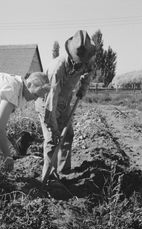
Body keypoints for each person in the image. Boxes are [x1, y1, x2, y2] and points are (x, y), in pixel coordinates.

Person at [35, 30, 96, 182]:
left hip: (65, 100)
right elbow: (52, 97)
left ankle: (64, 169)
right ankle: (48, 178)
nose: (82, 62)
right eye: (79, 59)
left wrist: (83, 89)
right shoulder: (59, 67)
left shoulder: (87, 60)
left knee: (68, 134)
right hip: (47, 102)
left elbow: (89, 73)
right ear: (71, 54)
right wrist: (53, 124)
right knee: (52, 139)